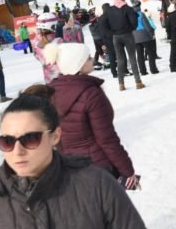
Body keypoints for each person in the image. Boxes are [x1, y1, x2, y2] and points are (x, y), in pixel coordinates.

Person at [0, 89, 153, 229]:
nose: (18, 151)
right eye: (7, 141)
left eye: (30, 138)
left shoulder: (97, 186)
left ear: (55, 136)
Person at [44, 43, 140, 188]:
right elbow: (106, 139)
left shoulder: (51, 92)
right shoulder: (91, 94)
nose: (92, 60)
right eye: (88, 58)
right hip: (96, 168)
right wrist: (127, 170)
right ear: (79, 65)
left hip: (68, 168)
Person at [106, 0, 144, 90]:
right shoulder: (128, 9)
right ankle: (138, 82)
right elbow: (134, 22)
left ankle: (121, 84)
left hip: (115, 36)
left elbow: (106, 23)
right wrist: (131, 28)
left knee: (120, 60)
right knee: (132, 58)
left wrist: (112, 32)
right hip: (127, 35)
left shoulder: (109, 10)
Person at [32, 12, 64, 83]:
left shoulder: (35, 41)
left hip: (48, 78)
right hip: (62, 78)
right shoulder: (58, 42)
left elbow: (36, 56)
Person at [131, 0, 159, 75]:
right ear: (138, 6)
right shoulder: (141, 14)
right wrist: (151, 32)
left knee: (139, 54)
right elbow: (147, 25)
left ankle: (143, 71)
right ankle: (153, 69)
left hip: (135, 36)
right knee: (150, 52)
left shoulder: (130, 15)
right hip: (144, 35)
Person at [97, 3, 118, 78]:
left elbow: (99, 31)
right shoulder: (110, 17)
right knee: (118, 54)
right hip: (112, 38)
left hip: (105, 40)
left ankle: (114, 72)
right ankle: (123, 69)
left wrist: (102, 43)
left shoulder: (99, 18)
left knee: (111, 56)